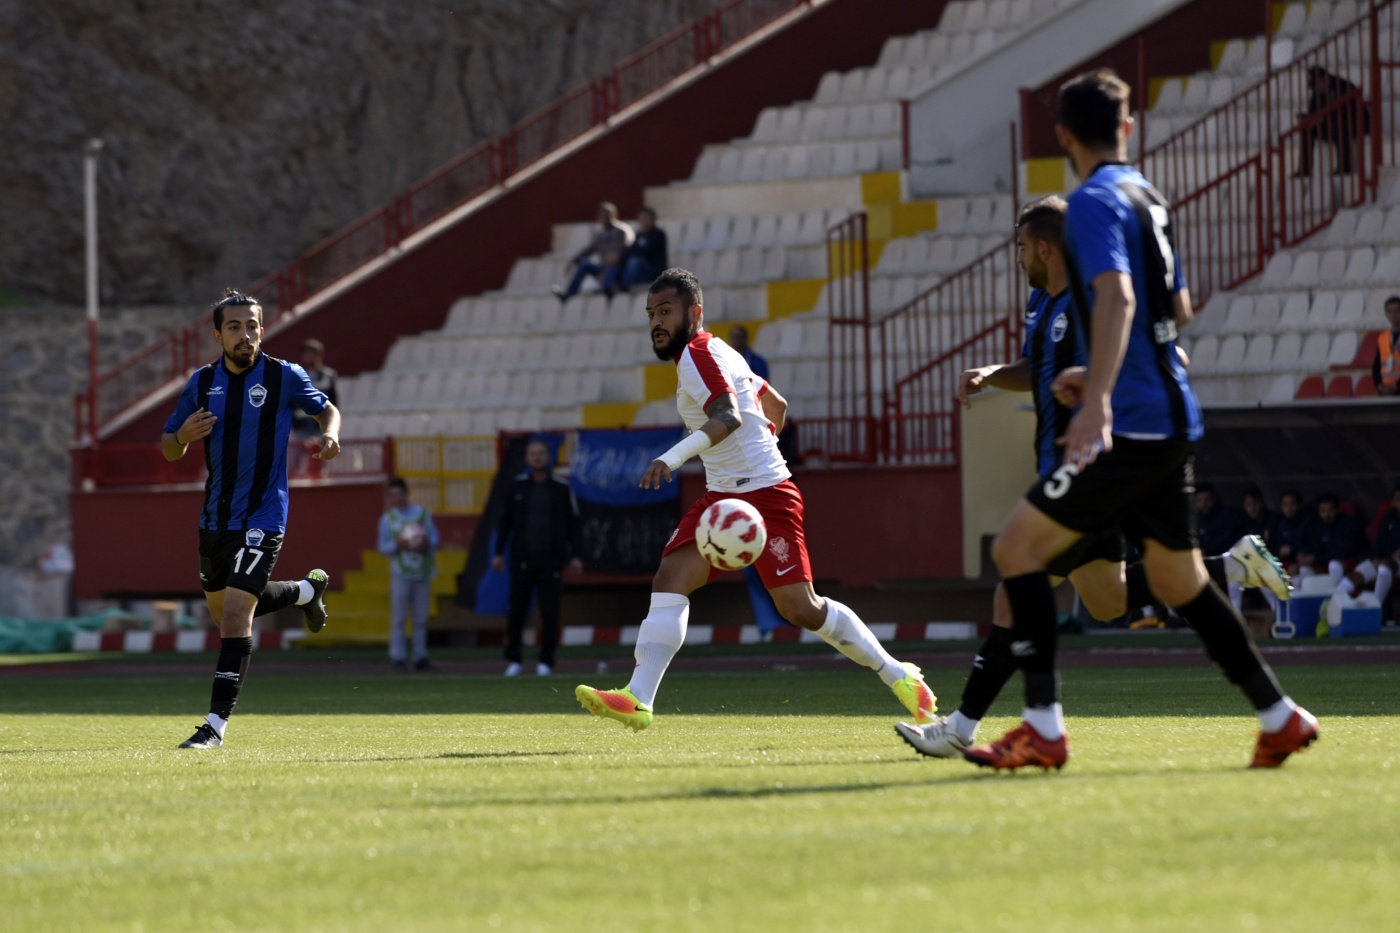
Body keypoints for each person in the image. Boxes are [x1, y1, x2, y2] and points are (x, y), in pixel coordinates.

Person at [943, 69, 1316, 772]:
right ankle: (1280, 716)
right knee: (1176, 581)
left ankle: (1042, 727)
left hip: (1131, 423)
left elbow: (1116, 298)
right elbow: (1178, 308)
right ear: (1128, 128)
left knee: (1016, 550)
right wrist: (1109, 369)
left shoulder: (1089, 202)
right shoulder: (1149, 197)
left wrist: (1099, 395)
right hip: (1172, 414)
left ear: (1063, 136)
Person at [895, 197, 1290, 760]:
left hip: (1088, 467)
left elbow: (1165, 356)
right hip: (1064, 467)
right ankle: (1234, 566)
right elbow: (1038, 369)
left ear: (1044, 248)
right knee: (1107, 600)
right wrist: (993, 374)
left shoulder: (1093, 299)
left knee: (1013, 587)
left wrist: (1096, 386)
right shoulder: (1042, 301)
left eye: (1021, 248)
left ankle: (962, 726)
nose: (1017, 259)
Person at [574, 268, 937, 730]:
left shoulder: (697, 354)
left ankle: (899, 674)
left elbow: (728, 416)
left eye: (666, 311)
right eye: (651, 314)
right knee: (670, 578)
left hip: (766, 495)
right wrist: (757, 450)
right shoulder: (720, 350)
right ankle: (638, 698)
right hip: (724, 494)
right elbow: (776, 406)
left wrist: (673, 456)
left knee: (800, 608)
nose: (657, 322)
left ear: (695, 312)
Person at [162, 289, 338, 749]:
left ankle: (213, 727)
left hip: (265, 513)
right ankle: (305, 592)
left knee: (239, 613)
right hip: (216, 518)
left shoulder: (284, 375)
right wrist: (182, 436)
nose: (245, 334)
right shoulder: (202, 383)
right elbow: (168, 446)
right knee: (224, 614)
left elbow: (327, 409)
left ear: (262, 330)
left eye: (253, 326)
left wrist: (331, 434)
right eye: (235, 327)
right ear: (218, 335)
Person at [491, 438, 584, 677]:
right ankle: (514, 660)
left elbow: (574, 524)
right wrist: (498, 552)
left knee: (550, 612)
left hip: (552, 561)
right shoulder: (517, 487)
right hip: (521, 559)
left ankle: (546, 661)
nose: (537, 457)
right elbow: (504, 522)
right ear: (527, 458)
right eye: (533, 453)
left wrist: (576, 555)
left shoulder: (561, 488)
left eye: (541, 453)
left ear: (549, 457)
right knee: (517, 611)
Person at [378, 477, 440, 672]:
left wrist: (426, 543)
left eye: (400, 494)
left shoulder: (422, 514)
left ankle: (420, 657)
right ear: (389, 497)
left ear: (406, 493)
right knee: (399, 618)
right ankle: (398, 658)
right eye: (393, 495)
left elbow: (435, 538)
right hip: (401, 572)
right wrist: (399, 544)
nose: (398, 498)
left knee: (421, 618)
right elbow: (382, 546)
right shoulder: (388, 520)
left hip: (422, 570)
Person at [1333, 481, 1400, 618]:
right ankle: (1334, 610)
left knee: (1384, 569)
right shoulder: (1389, 517)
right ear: (1393, 502)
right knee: (1352, 578)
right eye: (1399, 499)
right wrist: (1376, 557)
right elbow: (1381, 541)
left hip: (1395, 563)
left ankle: (1373, 611)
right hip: (1384, 558)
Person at [1294, 65, 1369, 177]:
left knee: (1339, 124)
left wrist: (1322, 117)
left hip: (1354, 125)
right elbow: (1313, 113)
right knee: (1306, 128)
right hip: (1332, 125)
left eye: (1316, 85)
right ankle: (1304, 170)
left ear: (1324, 79)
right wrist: (1306, 119)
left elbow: (1346, 114)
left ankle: (1345, 167)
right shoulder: (1318, 93)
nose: (1315, 90)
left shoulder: (1343, 87)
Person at [553, 202, 634, 302]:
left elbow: (630, 246)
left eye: (607, 214)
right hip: (604, 269)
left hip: (619, 269)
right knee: (585, 263)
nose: (604, 217)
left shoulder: (622, 231)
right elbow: (588, 250)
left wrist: (618, 256)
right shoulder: (601, 235)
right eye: (601, 215)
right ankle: (568, 295)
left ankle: (609, 291)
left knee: (611, 268)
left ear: (614, 215)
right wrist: (572, 261)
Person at [1298, 492, 1369, 585]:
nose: (1327, 514)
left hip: (1349, 560)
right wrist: (1304, 554)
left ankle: (1338, 592)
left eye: (1330, 510)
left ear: (1337, 509)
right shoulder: (1315, 525)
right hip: (1323, 561)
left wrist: (1316, 558)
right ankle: (1312, 593)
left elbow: (1345, 551)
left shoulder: (1348, 524)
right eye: (1323, 511)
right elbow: (1313, 546)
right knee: (1304, 568)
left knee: (1334, 565)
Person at [292, 339, 339, 441]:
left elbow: (334, 403)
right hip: (301, 428)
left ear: (320, 355)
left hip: (321, 427)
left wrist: (330, 427)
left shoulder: (328, 376)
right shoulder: (296, 376)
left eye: (312, 354)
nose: (309, 357)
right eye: (307, 354)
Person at [619, 207, 669, 293]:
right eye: (641, 219)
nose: (643, 221)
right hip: (640, 272)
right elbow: (630, 251)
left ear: (653, 220)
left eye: (646, 219)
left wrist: (633, 252)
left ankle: (625, 287)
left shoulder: (658, 234)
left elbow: (646, 250)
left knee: (634, 261)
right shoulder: (639, 235)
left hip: (653, 271)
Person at [1274, 489, 1312, 571]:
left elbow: (1313, 546)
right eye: (1285, 505)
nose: (1288, 508)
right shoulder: (1281, 523)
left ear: (1299, 505)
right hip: (1289, 562)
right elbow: (1277, 545)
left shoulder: (1309, 521)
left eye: (1292, 504)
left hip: (1307, 562)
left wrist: (1292, 549)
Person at [1371, 295, 1400, 396]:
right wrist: (1379, 385)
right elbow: (1376, 366)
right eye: (1390, 311)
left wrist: (1397, 386)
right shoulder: (1382, 337)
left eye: (1397, 311)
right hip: (1385, 390)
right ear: (1386, 314)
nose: (1393, 315)